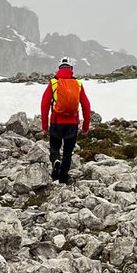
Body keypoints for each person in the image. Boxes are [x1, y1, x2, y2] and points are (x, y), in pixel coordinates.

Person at [40, 57, 91, 185]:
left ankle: (56, 160)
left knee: (55, 147)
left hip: (57, 122)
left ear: (59, 69)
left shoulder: (53, 83)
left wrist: (45, 125)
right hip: (72, 124)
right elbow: (86, 105)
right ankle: (63, 178)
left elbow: (45, 104)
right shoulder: (78, 84)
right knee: (68, 151)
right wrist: (85, 126)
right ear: (71, 69)